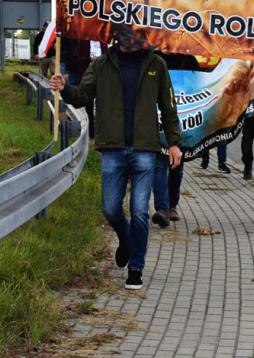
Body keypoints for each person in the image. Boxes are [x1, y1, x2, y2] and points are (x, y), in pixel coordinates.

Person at [50, 40, 181, 290]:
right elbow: (82, 96)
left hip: (145, 148)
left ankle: (135, 268)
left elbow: (168, 106)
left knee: (140, 210)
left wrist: (174, 142)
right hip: (112, 147)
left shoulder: (156, 64)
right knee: (110, 209)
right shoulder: (102, 64)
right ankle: (126, 238)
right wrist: (65, 88)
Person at [150, 51, 200, 228]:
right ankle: (162, 209)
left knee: (177, 166)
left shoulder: (189, 59)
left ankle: (172, 206)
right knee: (159, 164)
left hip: (182, 120)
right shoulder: (153, 57)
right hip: (157, 118)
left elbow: (200, 85)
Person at [70, 39, 95, 138]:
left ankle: (95, 131)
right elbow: (76, 59)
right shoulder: (83, 42)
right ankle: (90, 131)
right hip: (86, 76)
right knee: (89, 105)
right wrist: (90, 59)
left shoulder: (103, 43)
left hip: (103, 77)